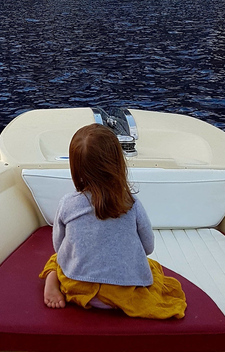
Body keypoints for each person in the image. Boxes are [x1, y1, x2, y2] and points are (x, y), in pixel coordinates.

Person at [40, 123, 186, 319]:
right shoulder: (131, 204)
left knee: (56, 260)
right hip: (122, 294)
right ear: (117, 163)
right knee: (151, 267)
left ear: (76, 167)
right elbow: (148, 247)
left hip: (79, 287)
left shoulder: (68, 204)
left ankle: (52, 279)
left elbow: (59, 247)